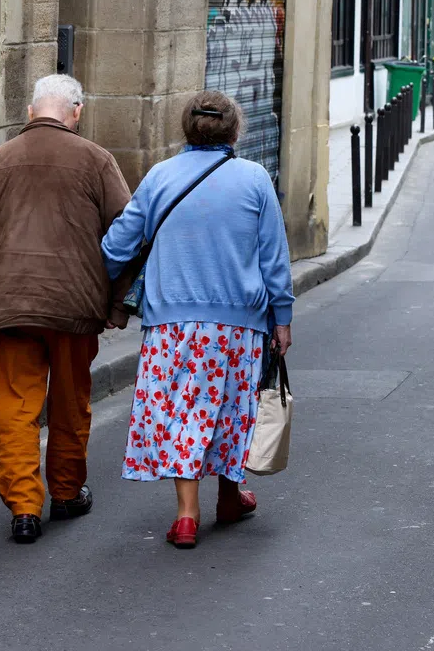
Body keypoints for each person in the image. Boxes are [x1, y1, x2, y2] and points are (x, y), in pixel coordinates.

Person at [101, 90, 294, 549]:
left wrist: (108, 286)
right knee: (232, 410)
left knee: (181, 413)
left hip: (171, 325)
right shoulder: (254, 179)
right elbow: (274, 257)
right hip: (239, 324)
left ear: (187, 128)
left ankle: (186, 517)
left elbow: (116, 247)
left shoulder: (160, 177)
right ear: (235, 130)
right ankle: (229, 497)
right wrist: (281, 317)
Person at [0, 74, 131, 544]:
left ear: (33, 111)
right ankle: (66, 491)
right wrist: (116, 303)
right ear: (75, 112)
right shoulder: (96, 160)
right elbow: (127, 232)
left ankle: (23, 508)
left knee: (15, 408)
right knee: (69, 404)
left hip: (8, 304)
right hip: (74, 305)